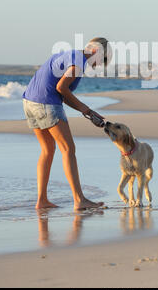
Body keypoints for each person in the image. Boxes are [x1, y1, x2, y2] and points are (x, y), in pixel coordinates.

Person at [22, 37, 112, 210]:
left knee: (47, 150)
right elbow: (61, 88)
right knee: (68, 149)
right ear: (97, 51)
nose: (101, 64)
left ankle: (42, 200)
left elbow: (62, 93)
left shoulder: (70, 55)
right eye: (104, 59)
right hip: (46, 102)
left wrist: (88, 112)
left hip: (29, 102)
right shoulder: (79, 61)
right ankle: (79, 200)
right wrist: (86, 109)